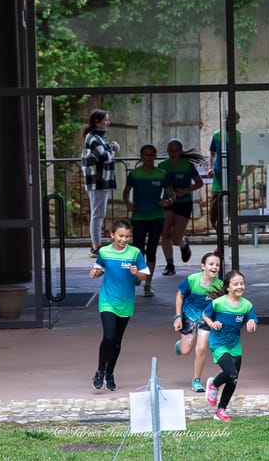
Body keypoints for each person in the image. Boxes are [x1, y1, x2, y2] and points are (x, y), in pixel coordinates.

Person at [88, 220, 150, 391]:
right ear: (112, 235)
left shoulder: (135, 253)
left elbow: (145, 276)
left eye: (127, 237)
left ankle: (110, 373)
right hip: (107, 300)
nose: (124, 240)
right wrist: (95, 273)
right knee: (108, 336)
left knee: (116, 341)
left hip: (126, 302)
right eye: (121, 236)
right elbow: (99, 268)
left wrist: (136, 273)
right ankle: (100, 371)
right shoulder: (104, 251)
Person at [202, 269, 258, 421]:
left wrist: (251, 321)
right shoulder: (218, 303)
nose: (240, 287)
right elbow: (206, 315)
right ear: (227, 287)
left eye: (242, 284)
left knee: (233, 379)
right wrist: (212, 324)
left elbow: (252, 317)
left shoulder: (246, 305)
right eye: (236, 284)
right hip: (219, 344)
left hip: (235, 346)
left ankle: (221, 411)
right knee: (231, 373)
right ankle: (214, 384)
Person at [122, 144, 171, 297]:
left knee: (151, 250)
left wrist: (167, 201)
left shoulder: (162, 174)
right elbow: (126, 192)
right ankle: (139, 275)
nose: (149, 157)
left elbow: (171, 195)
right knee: (138, 250)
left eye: (151, 154)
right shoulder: (135, 174)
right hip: (139, 216)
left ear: (155, 156)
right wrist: (128, 203)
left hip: (156, 216)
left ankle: (148, 285)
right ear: (141, 157)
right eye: (146, 155)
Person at [173, 252, 223, 392]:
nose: (214, 267)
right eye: (211, 264)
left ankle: (196, 380)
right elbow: (180, 295)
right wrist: (177, 317)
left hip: (206, 319)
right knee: (185, 351)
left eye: (217, 265)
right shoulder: (192, 280)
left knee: (201, 349)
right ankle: (180, 346)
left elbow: (221, 305)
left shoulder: (220, 286)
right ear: (203, 266)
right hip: (189, 316)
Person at [158, 138, 204, 275]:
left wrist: (185, 191)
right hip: (168, 202)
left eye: (176, 151)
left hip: (184, 203)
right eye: (170, 150)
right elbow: (158, 183)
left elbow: (199, 183)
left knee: (176, 239)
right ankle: (170, 265)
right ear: (167, 151)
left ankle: (183, 243)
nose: (173, 153)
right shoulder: (162, 165)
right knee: (164, 234)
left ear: (180, 151)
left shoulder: (187, 166)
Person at [82, 109, 120, 258]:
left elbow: (104, 151)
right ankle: (95, 247)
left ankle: (96, 245)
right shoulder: (93, 137)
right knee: (97, 215)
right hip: (97, 181)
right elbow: (104, 156)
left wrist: (110, 147)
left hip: (101, 181)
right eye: (105, 120)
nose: (108, 123)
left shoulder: (98, 137)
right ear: (97, 121)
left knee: (99, 214)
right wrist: (114, 149)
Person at [208, 111, 243, 232]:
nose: (228, 121)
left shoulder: (239, 136)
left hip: (233, 176)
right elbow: (212, 153)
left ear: (237, 121)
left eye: (232, 119)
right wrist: (210, 168)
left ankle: (231, 237)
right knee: (215, 206)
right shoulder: (217, 134)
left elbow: (241, 157)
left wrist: (239, 174)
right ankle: (217, 231)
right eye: (227, 119)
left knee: (231, 208)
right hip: (219, 176)